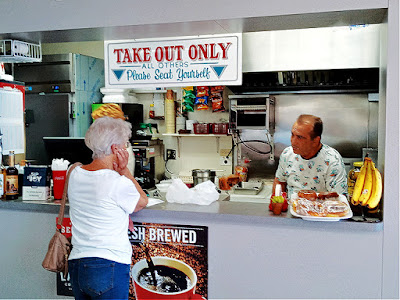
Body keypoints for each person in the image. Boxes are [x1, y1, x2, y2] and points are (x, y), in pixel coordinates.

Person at [68, 116, 148, 300]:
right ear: (115, 148)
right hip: (108, 265)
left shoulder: (73, 173)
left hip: (77, 265)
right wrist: (124, 170)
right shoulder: (117, 182)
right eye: (125, 143)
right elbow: (142, 201)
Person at [273, 114, 347, 199]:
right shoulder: (287, 154)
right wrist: (278, 202)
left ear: (315, 141)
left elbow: (338, 198)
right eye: (292, 135)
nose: (293, 141)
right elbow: (279, 182)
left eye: (300, 137)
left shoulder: (332, 160)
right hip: (292, 209)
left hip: (321, 210)